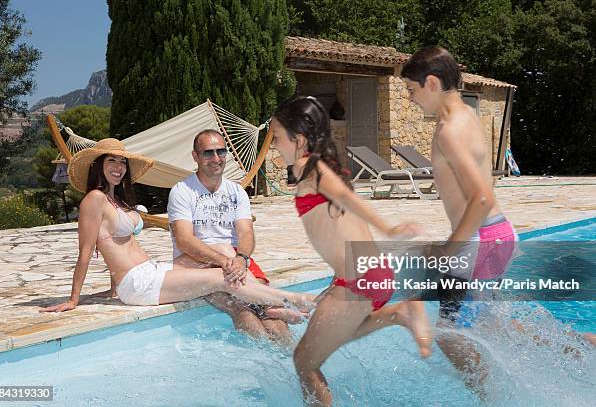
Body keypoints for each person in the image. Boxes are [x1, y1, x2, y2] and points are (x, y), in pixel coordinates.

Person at [270, 96, 433, 406]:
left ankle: (402, 312)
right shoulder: (316, 168)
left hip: (360, 280)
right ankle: (399, 313)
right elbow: (339, 232)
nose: (275, 146)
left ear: (299, 138)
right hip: (366, 275)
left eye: (278, 137)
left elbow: (347, 198)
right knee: (329, 341)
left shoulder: (310, 167)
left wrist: (389, 229)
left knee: (304, 361)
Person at [40, 138, 314, 314]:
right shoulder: (94, 200)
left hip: (149, 271)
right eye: (111, 161)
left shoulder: (116, 201)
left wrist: (113, 288)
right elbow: (86, 252)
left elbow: (116, 244)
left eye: (122, 162)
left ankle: (268, 307)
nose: (118, 167)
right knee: (220, 278)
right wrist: (74, 299)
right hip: (138, 284)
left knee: (222, 255)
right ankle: (293, 301)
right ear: (98, 165)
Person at [401, 46, 519, 398]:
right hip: (495, 233)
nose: (409, 100)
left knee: (451, 334)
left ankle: (492, 399)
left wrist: (449, 249)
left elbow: (480, 197)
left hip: (479, 240)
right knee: (490, 323)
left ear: (432, 83)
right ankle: (581, 345)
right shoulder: (467, 114)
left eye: (411, 90)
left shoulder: (449, 131)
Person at [167, 129, 292, 343]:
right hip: (199, 263)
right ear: (195, 156)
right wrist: (224, 262)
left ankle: (293, 360)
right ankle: (265, 358)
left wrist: (242, 258)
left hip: (236, 259)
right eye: (208, 153)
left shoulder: (236, 191)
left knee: (269, 309)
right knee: (242, 310)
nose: (216, 159)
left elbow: (245, 232)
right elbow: (185, 240)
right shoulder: (182, 191)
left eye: (220, 152)